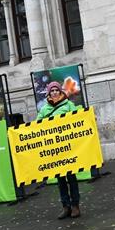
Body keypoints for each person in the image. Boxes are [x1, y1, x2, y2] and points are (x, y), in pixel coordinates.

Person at [36, 81, 81, 219]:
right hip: (54, 150)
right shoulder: (44, 109)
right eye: (52, 91)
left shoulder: (69, 105)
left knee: (71, 177)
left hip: (67, 148)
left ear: (60, 92)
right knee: (60, 180)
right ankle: (65, 206)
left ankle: (75, 205)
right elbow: (36, 126)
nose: (54, 92)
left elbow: (80, 117)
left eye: (56, 90)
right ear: (49, 93)